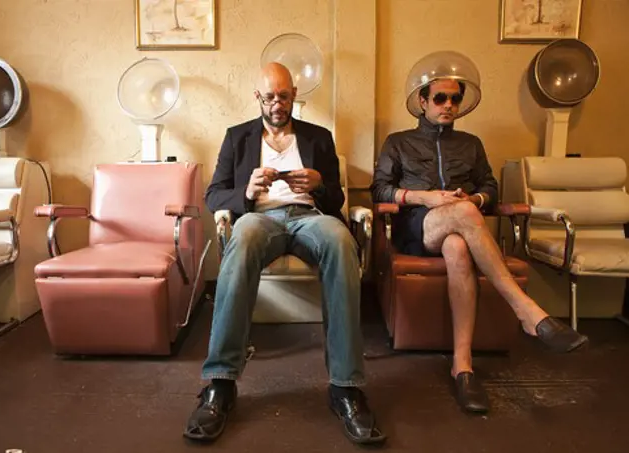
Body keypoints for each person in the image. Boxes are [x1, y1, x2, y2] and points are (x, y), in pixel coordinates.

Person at [183, 62, 386, 445]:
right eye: (270, 96)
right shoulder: (237, 137)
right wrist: (247, 191)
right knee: (241, 242)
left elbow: (337, 200)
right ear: (257, 97)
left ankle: (346, 387)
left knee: (342, 242)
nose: (278, 104)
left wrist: (320, 184)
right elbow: (213, 196)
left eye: (284, 96)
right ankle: (221, 384)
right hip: (261, 218)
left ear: (294, 95)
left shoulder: (318, 137)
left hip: (310, 216)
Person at [371, 76, 589, 414]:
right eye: (440, 98)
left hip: (460, 226)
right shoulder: (399, 142)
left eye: (455, 100)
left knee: (458, 245)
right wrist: (423, 197)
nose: (448, 106)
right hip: (416, 227)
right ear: (423, 102)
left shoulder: (471, 144)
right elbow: (380, 190)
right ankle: (525, 310)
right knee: (465, 215)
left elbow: (490, 187)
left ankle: (463, 366)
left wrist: (472, 197)